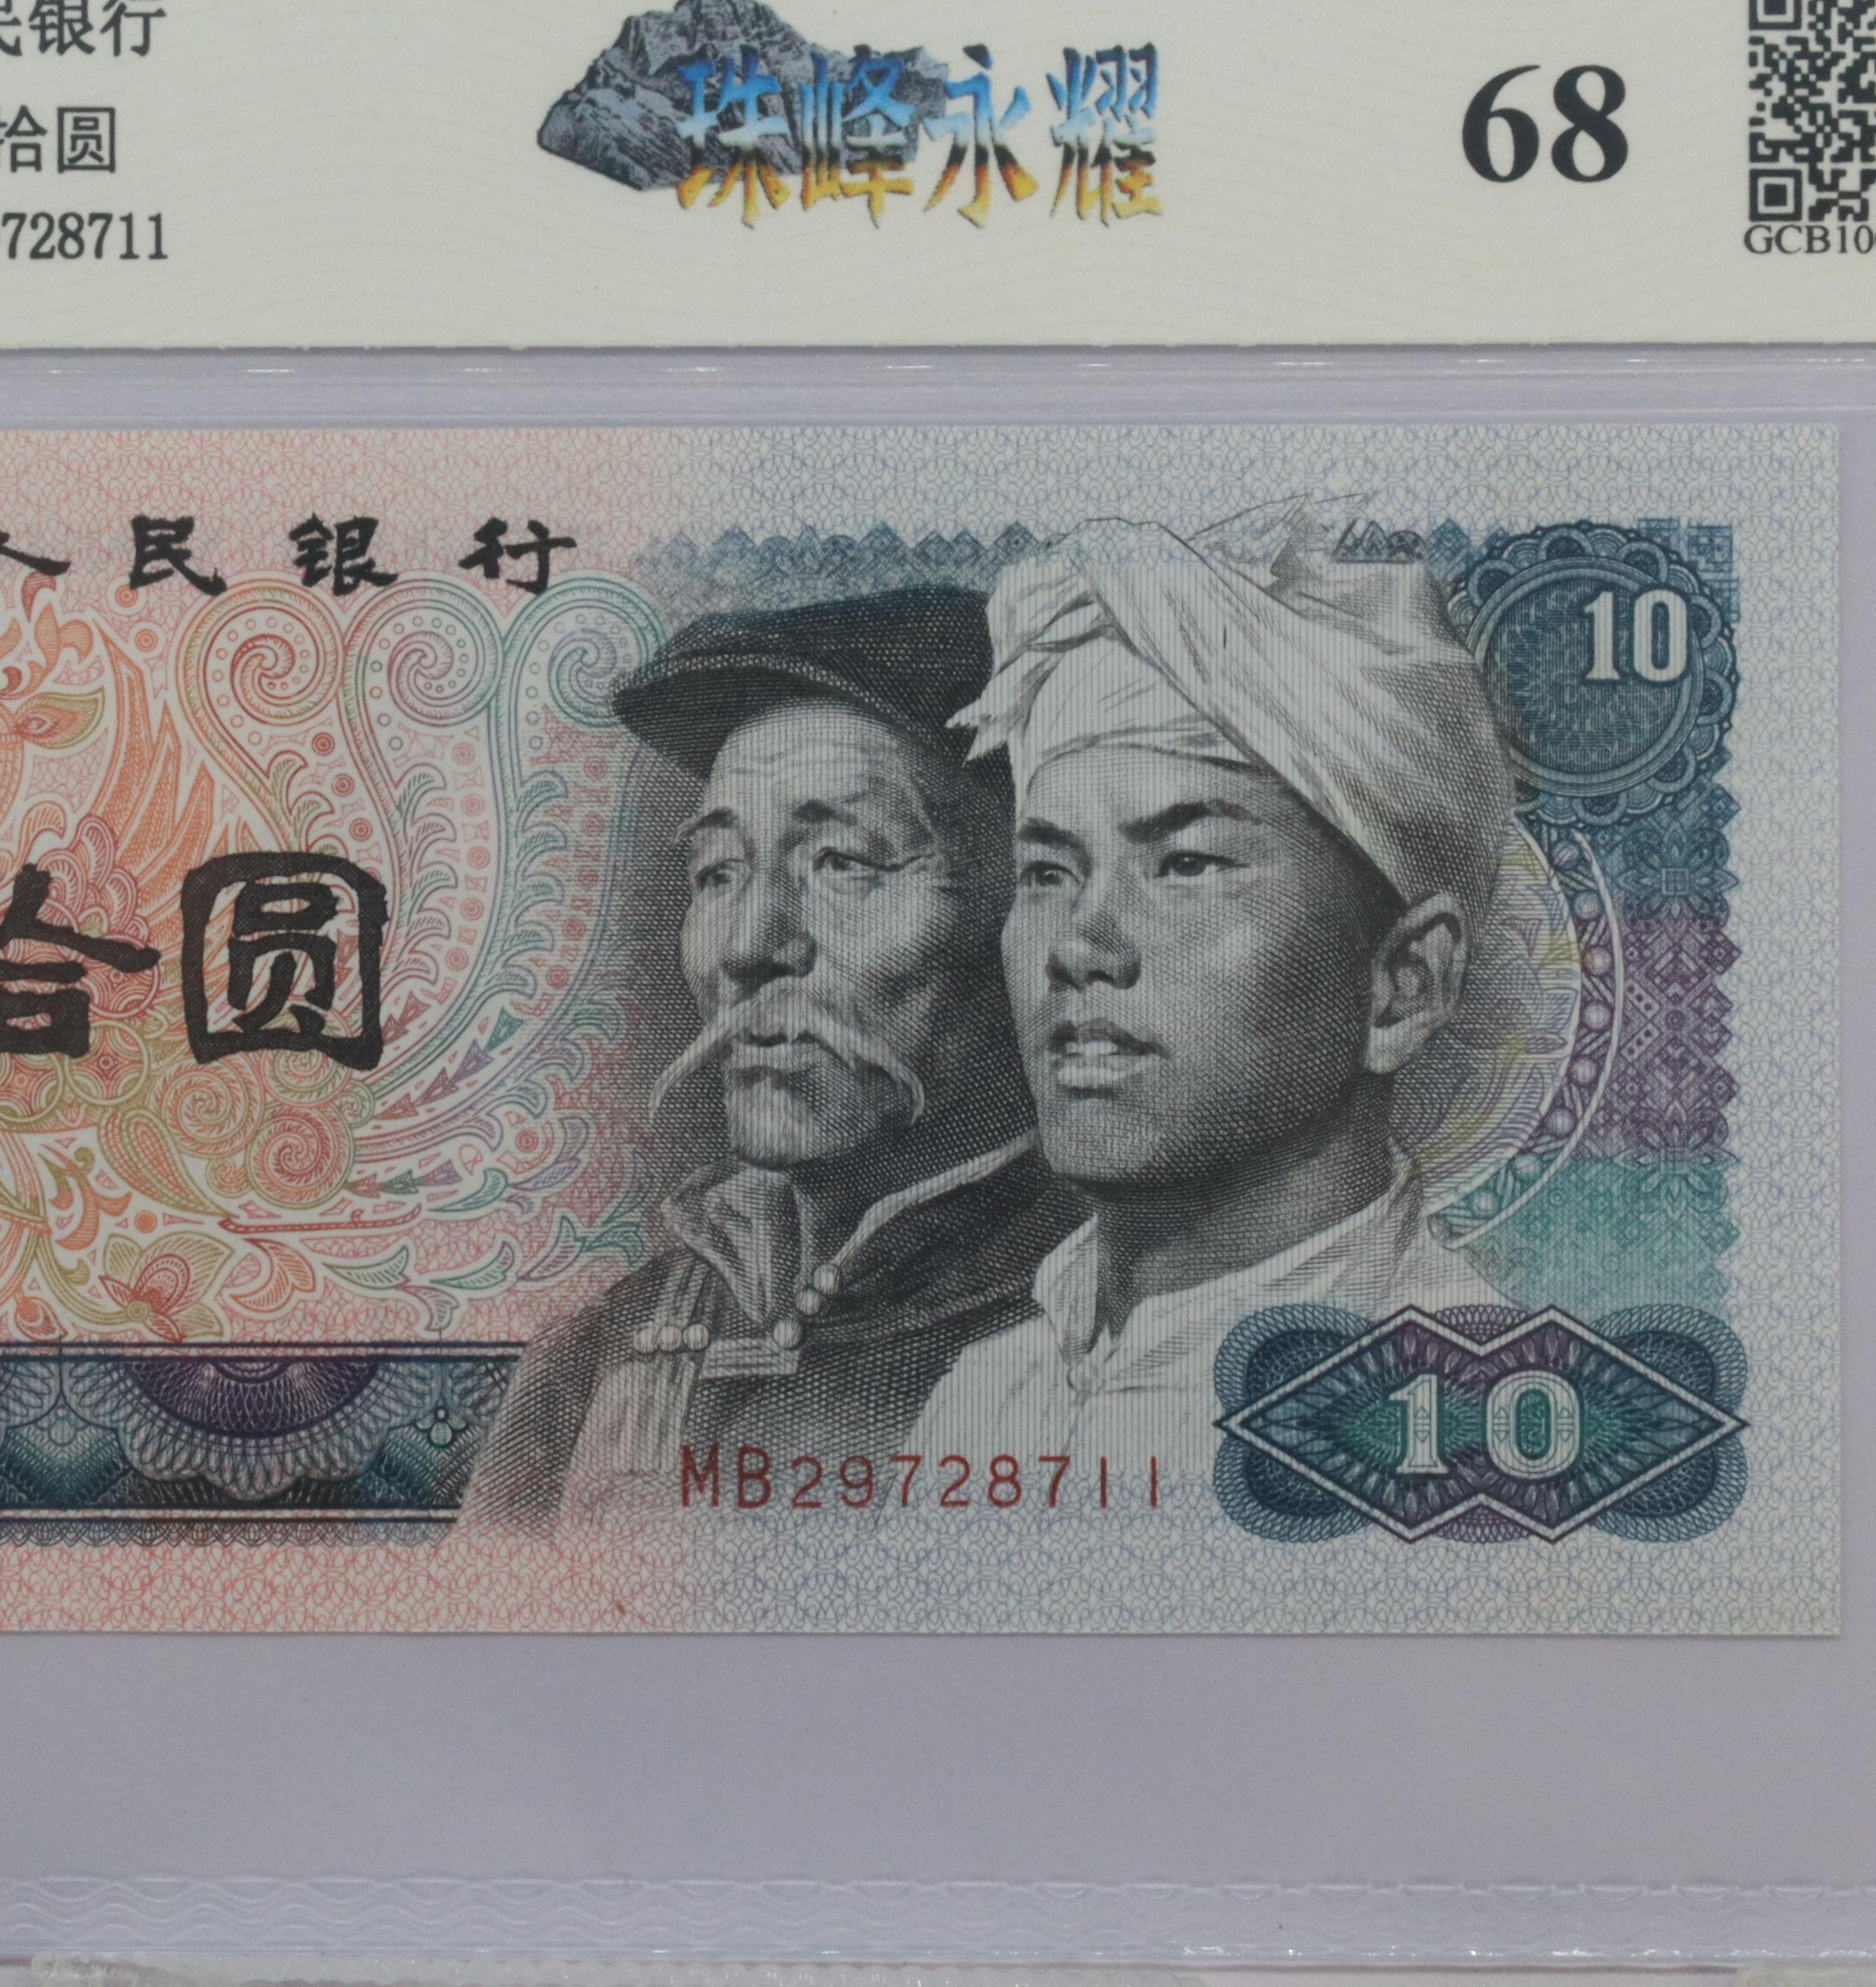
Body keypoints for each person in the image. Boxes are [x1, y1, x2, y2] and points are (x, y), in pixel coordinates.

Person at [903, 503, 1519, 1486]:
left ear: (1402, 985)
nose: (1080, 946)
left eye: (1186, 865)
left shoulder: (1467, 1425)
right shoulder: (978, 1405)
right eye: (1048, 872)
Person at [471, 588, 1075, 1527]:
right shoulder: (597, 1354)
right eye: (718, 872)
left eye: (841, 862)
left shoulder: (1127, 1324)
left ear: (1031, 905)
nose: (749, 947)